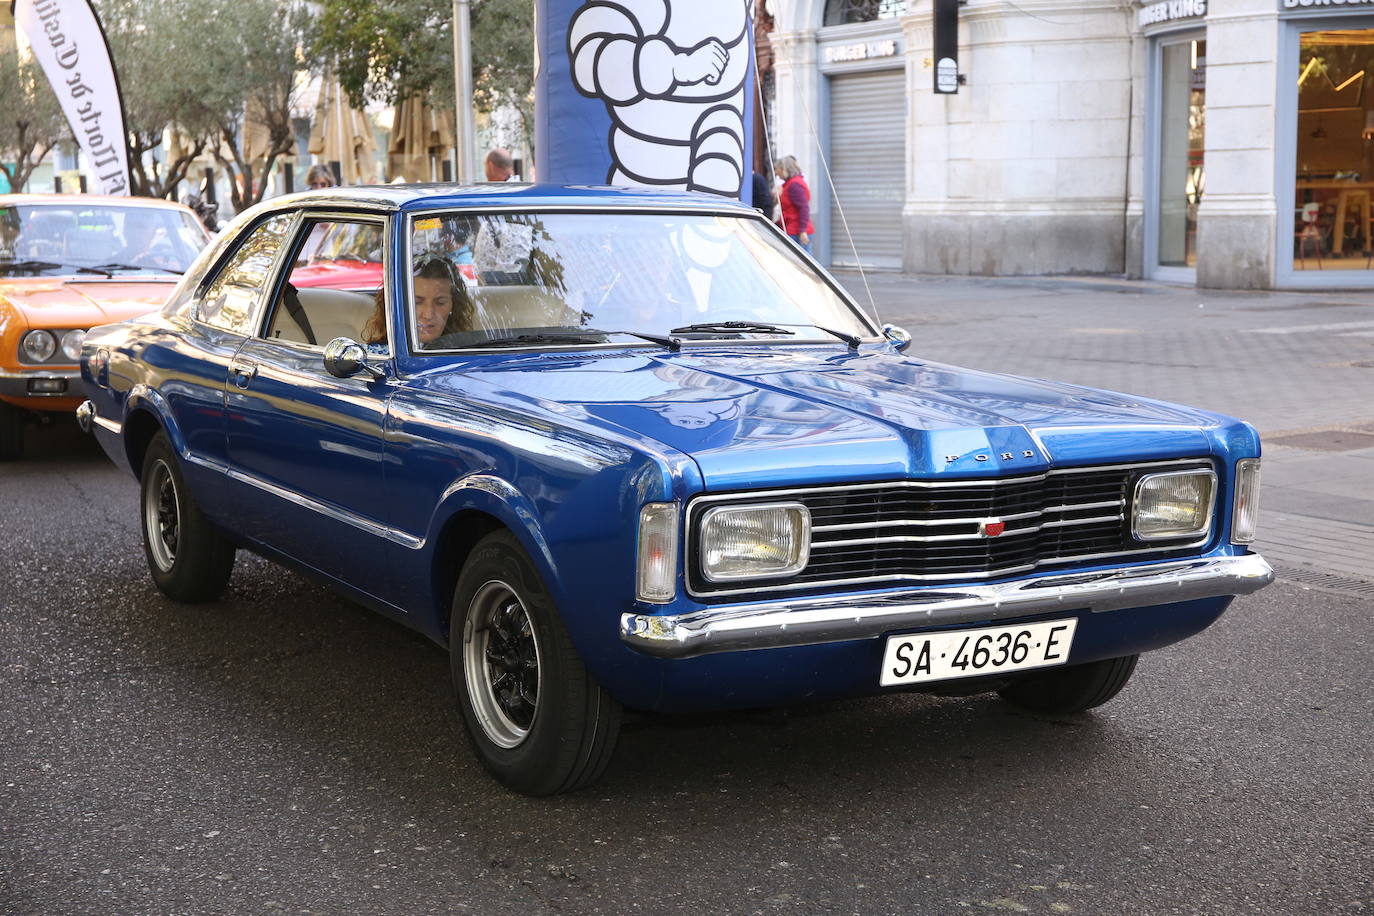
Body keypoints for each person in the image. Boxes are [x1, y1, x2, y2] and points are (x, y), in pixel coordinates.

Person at [361, 258, 473, 350]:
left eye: (440, 303)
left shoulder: (471, 355)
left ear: (453, 305)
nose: (428, 315)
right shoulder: (373, 361)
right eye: (417, 302)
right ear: (397, 305)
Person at [774, 155, 814, 253]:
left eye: (777, 169)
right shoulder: (790, 184)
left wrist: (802, 230)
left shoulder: (794, 185)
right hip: (792, 229)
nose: (776, 173)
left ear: (784, 169)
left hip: (796, 231)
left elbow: (804, 207)